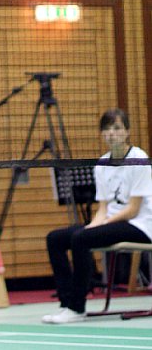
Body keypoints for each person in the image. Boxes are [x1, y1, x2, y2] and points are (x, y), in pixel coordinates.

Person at [43, 108, 152, 324]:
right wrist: (93, 226)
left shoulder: (139, 159)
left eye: (117, 128)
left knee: (81, 238)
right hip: (113, 222)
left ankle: (77, 307)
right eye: (107, 129)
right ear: (102, 134)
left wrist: (95, 230)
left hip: (140, 224)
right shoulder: (102, 163)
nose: (112, 133)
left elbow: (133, 209)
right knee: (55, 238)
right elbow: (102, 208)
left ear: (127, 132)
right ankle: (66, 303)